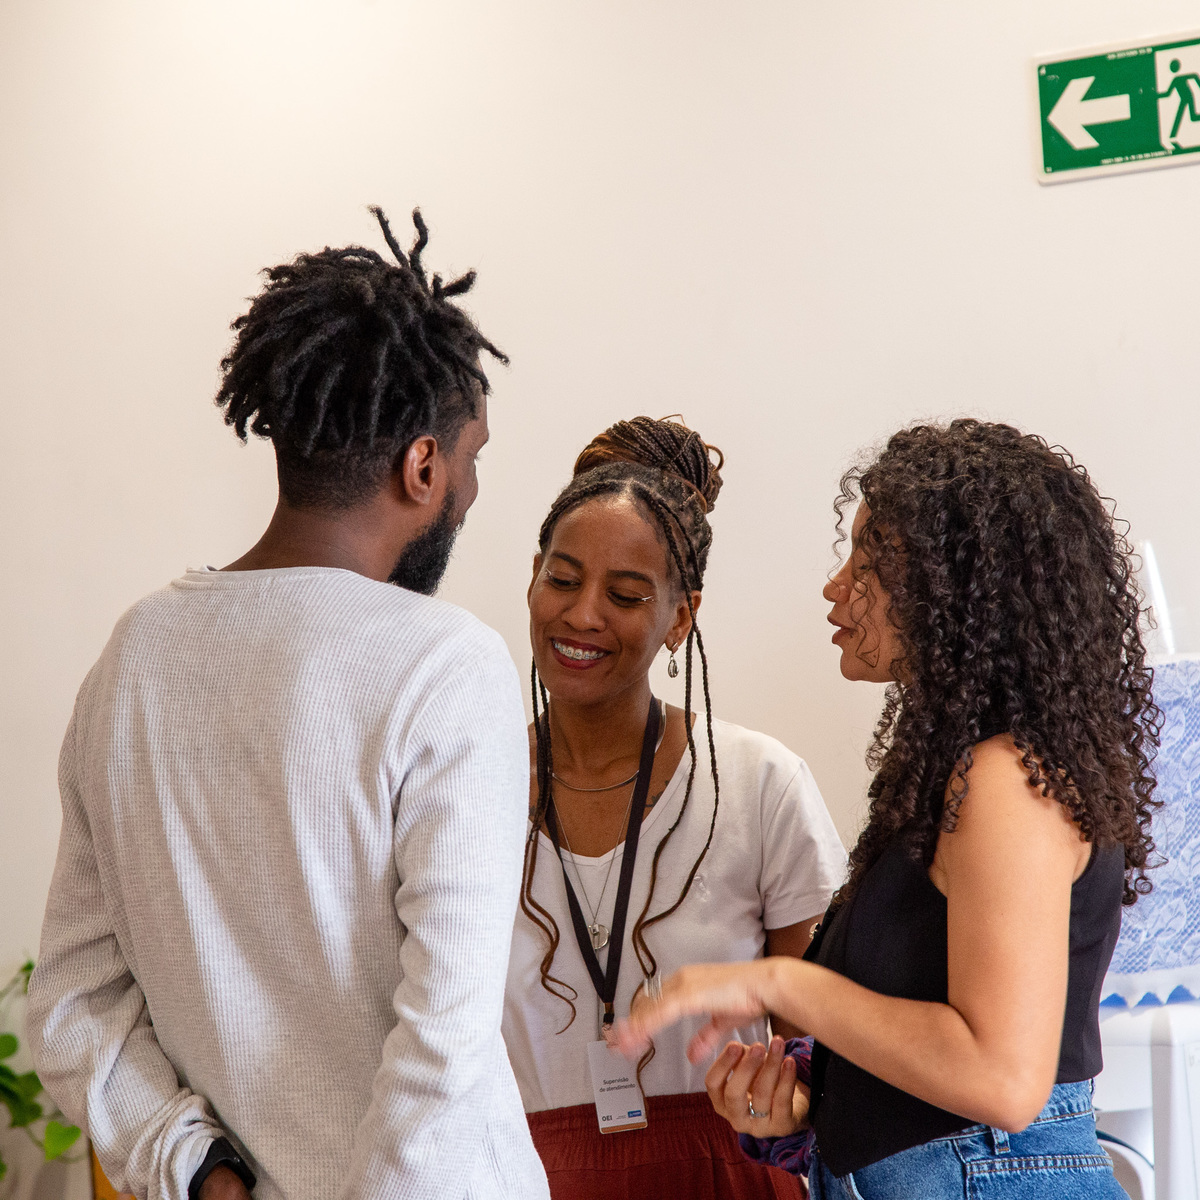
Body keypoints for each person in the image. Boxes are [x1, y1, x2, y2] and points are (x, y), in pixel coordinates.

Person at [27, 209, 550, 1200]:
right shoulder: (450, 667)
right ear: (422, 467)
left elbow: (71, 1003)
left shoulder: (136, 659)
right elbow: (442, 1042)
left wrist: (200, 1168)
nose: (472, 488)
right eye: (470, 458)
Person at [618, 419, 1159, 1199]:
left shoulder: (1006, 780)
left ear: (959, 589)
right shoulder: (952, 774)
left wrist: (783, 986)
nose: (837, 587)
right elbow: (931, 1050)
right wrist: (806, 1102)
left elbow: (1004, 1081)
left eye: (870, 563)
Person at [503, 416, 846, 1199]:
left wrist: (782, 1093)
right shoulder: (463, 788)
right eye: (561, 580)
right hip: (523, 1173)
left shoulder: (762, 785)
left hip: (729, 1171)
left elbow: (824, 1035)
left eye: (626, 596)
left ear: (680, 617)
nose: (584, 615)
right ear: (532, 577)